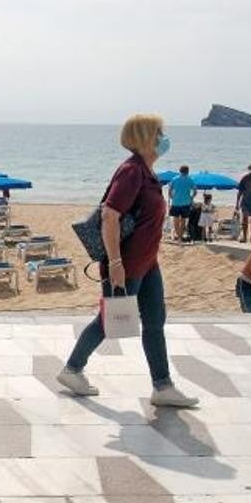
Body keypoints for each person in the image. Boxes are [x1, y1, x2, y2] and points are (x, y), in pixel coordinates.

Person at [56, 114, 198, 408]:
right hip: (127, 263)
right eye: (159, 133)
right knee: (109, 321)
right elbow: (110, 216)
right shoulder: (131, 171)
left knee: (155, 321)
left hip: (147, 262)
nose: (163, 138)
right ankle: (72, 370)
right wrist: (116, 263)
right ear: (146, 137)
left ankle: (162, 386)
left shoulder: (147, 172)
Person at [167, 165, 195, 243]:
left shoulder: (174, 179)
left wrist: (172, 197)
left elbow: (169, 190)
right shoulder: (190, 180)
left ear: (179, 171)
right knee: (183, 221)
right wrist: (191, 198)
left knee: (176, 221)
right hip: (186, 203)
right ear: (188, 172)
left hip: (176, 203)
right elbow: (195, 191)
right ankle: (180, 237)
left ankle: (178, 237)